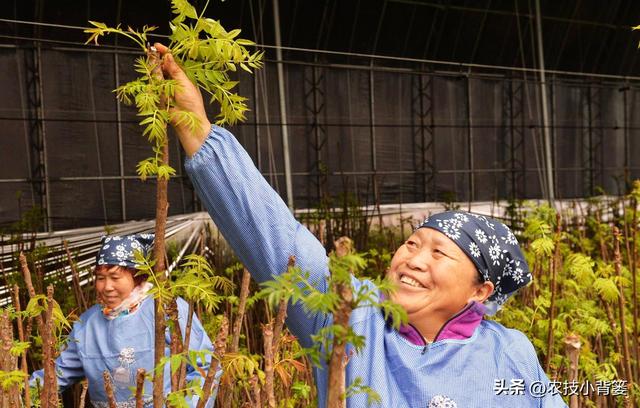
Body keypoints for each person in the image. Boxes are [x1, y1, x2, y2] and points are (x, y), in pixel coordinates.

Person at [155, 43, 568, 407]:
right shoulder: (350, 314)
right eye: (412, 243)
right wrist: (197, 131)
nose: (413, 260)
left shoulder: (510, 353)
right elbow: (277, 239)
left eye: (438, 252)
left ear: (480, 290)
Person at [31, 233, 217, 407]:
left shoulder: (165, 309)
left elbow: (206, 366)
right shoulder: (88, 323)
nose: (107, 287)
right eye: (101, 278)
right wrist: (21, 391)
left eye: (115, 277)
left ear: (137, 277)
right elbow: (59, 374)